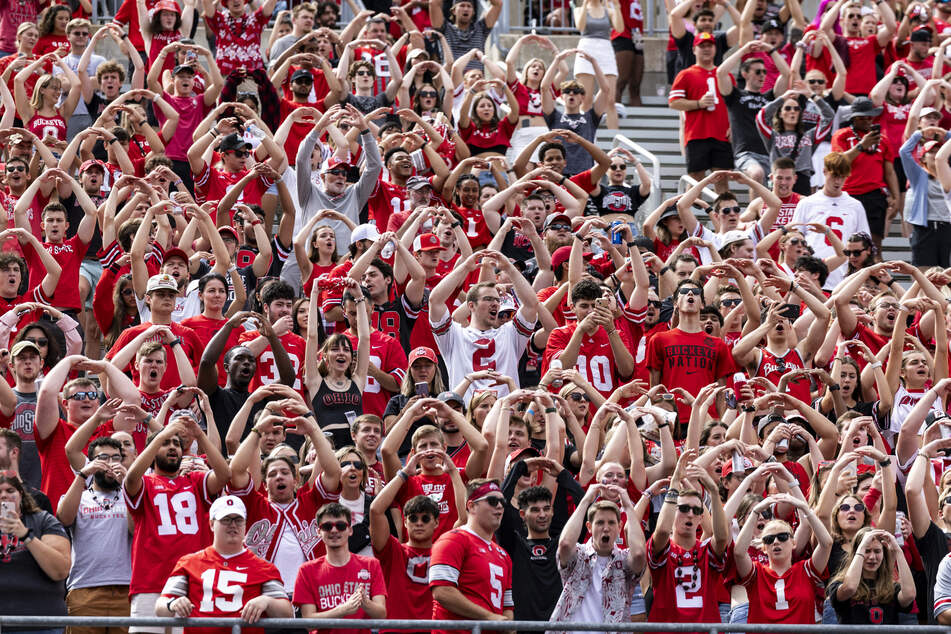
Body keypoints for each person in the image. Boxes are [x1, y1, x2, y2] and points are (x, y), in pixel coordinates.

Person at [122, 413, 230, 634]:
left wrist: (199, 435)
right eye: (165, 443)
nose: (172, 447)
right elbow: (131, 479)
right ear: (152, 453)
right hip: (150, 581)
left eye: (176, 444)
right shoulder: (146, 483)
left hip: (193, 581)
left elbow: (224, 475)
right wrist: (164, 432)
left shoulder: (195, 481)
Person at [155, 495, 293, 628]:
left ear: (246, 524)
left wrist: (267, 601)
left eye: (238, 520)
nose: (233, 525)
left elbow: (288, 614)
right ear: (211, 524)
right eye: (226, 519)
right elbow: (160, 607)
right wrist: (172, 603)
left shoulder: (264, 568)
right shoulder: (189, 563)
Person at [429, 253, 539, 403]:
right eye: (488, 299)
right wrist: (465, 267)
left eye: (497, 300)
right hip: (466, 415)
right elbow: (435, 301)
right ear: (471, 306)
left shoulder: (510, 334)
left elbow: (532, 304)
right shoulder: (454, 335)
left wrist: (509, 268)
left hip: (503, 416)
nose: (495, 303)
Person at [57, 435, 133, 634]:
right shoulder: (79, 496)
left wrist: (127, 483)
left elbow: (137, 528)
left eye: (116, 458)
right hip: (84, 588)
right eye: (103, 458)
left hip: (125, 589)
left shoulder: (131, 496)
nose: (110, 464)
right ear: (91, 462)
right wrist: (82, 475)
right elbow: (64, 518)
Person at [549, 482, 645, 631]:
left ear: (619, 527)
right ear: (589, 527)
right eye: (600, 523)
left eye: (612, 523)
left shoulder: (624, 559)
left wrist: (627, 506)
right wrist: (586, 500)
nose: (606, 528)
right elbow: (566, 544)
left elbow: (639, 553)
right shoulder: (578, 555)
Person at [734, 493, 833, 623]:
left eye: (782, 537)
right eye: (769, 539)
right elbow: (739, 553)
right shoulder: (757, 574)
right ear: (763, 547)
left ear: (794, 543)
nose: (775, 541)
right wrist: (755, 511)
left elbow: (826, 544)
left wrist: (804, 507)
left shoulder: (805, 571)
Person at [429, 479, 513, 631]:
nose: (500, 506)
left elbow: (507, 606)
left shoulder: (503, 555)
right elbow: (442, 591)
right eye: (492, 501)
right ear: (471, 506)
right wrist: (489, 618)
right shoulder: (453, 540)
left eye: (502, 501)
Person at [293, 502, 387, 630]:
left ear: (350, 530)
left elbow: (381, 615)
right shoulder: (306, 570)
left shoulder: (371, 565)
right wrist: (342, 610)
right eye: (327, 526)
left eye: (341, 526)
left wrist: (365, 603)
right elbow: (308, 623)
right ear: (318, 532)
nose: (334, 530)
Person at [791, 152, 871, 290]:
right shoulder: (807, 203)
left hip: (843, 278)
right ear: (824, 171)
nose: (838, 182)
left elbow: (864, 243)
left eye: (842, 177)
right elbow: (794, 237)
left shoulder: (855, 206)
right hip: (811, 277)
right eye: (834, 176)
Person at [0, 471, 71, 625]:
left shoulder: (43, 521)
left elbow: (60, 570)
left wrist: (26, 536)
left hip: (40, 622)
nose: (4, 496)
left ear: (21, 494)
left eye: (10, 491)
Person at [668, 32, 734, 194]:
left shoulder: (726, 75)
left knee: (722, 180)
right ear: (694, 50)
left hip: (721, 135)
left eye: (709, 45)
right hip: (697, 134)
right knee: (695, 179)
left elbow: (734, 104)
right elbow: (674, 102)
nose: (706, 49)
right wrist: (698, 103)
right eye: (702, 46)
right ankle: (689, 218)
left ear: (715, 48)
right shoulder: (686, 74)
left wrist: (734, 126)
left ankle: (722, 218)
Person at [829, 527, 916, 624]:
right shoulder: (839, 584)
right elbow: (850, 588)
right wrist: (862, 546)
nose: (872, 557)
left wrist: (898, 551)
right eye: (867, 551)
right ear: (857, 553)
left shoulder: (891, 587)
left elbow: (910, 595)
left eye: (877, 551)